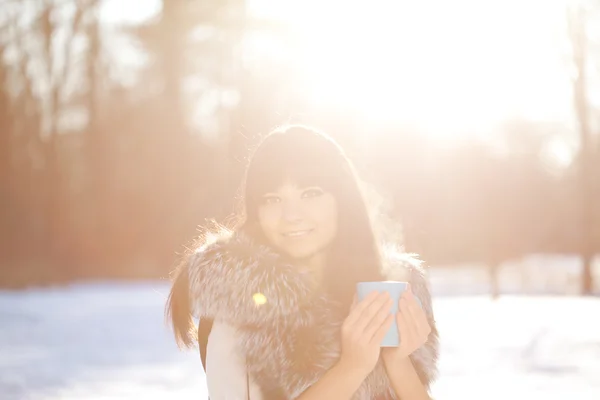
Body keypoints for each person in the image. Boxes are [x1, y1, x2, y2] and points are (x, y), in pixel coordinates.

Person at [166, 125, 439, 399]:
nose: (291, 215)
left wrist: (399, 363)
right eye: (272, 199)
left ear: (342, 199)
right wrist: (352, 368)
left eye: (310, 193)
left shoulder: (390, 291)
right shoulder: (237, 306)